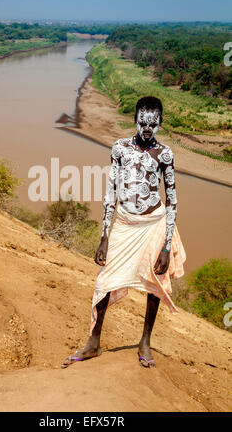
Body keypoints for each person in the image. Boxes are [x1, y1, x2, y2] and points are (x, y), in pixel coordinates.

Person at [62, 96, 186, 369]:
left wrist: (166, 246)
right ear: (135, 120)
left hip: (153, 223)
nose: (147, 128)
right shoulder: (120, 148)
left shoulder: (165, 154)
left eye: (152, 124)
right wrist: (104, 237)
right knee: (103, 282)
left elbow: (173, 200)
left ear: (160, 124)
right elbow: (111, 194)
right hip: (124, 224)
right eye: (142, 122)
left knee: (154, 285)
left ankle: (144, 342)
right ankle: (93, 342)